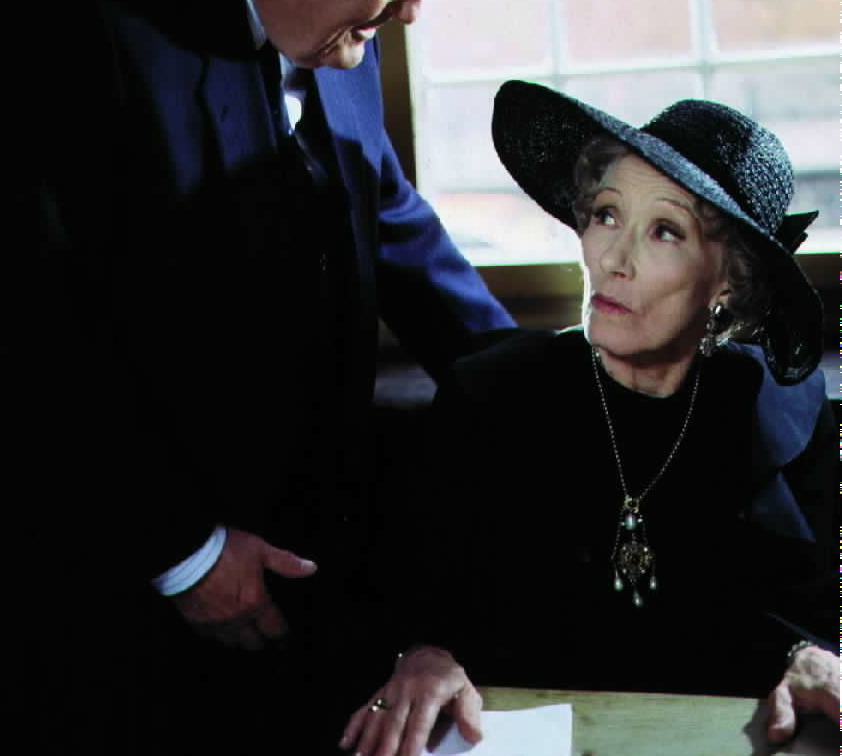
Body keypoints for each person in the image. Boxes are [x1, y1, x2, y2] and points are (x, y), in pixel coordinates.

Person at [0, 0, 516, 754]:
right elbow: (19, 330)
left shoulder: (336, 11)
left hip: (265, 576)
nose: (414, 8)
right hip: (82, 579)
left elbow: (392, 226)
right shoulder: (62, 1)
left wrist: (546, 392)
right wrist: (181, 551)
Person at [341, 82, 838, 756]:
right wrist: (424, 652)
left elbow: (812, 609)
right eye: (607, 215)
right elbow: (413, 596)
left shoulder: (780, 415)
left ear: (732, 281)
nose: (612, 259)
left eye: (664, 231)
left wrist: (811, 654)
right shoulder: (489, 396)